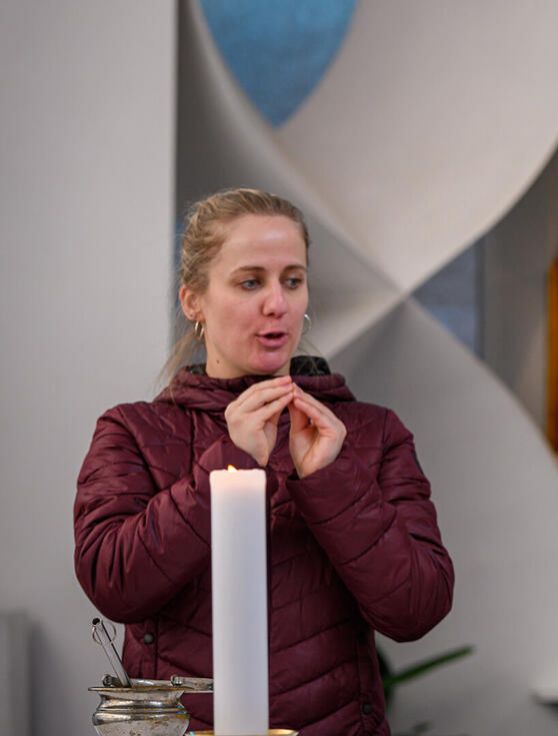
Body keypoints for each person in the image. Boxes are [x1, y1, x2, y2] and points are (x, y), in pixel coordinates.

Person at [74, 188, 454, 735]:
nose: (276, 303)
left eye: (292, 281)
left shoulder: (371, 433)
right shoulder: (132, 430)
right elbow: (115, 585)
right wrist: (228, 462)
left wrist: (331, 479)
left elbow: (418, 609)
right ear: (193, 301)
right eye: (250, 282)